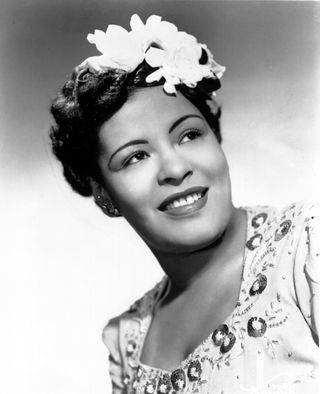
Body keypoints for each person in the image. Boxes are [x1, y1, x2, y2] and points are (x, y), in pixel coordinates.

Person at [49, 14, 319, 394]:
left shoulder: (307, 248)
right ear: (104, 193)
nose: (175, 169)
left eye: (190, 134)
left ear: (216, 138)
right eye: (135, 157)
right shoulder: (126, 342)